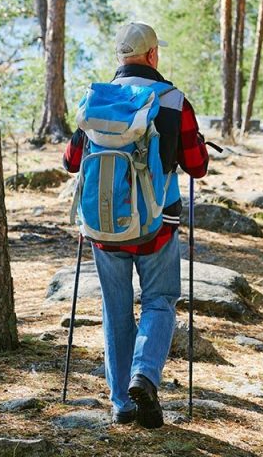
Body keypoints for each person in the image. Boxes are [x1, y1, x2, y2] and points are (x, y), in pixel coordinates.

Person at [63, 22, 209, 429]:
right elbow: (197, 165)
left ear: (120, 57)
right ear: (153, 55)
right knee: (160, 300)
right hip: (156, 225)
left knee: (116, 310)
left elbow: (71, 162)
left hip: (104, 226)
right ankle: (144, 375)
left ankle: (122, 404)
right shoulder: (173, 100)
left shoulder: (96, 99)